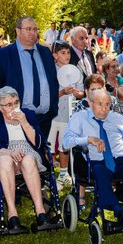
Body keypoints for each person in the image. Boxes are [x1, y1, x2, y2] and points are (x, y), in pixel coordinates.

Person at [62, 89, 123, 229]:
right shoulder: (79, 118)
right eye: (100, 104)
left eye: (108, 105)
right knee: (100, 171)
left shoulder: (117, 118)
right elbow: (65, 142)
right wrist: (88, 139)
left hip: (122, 160)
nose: (104, 109)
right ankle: (118, 212)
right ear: (90, 103)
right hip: (97, 161)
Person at [0, 86, 55, 233]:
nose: (14, 107)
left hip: (28, 152)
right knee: (5, 161)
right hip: (4, 152)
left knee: (28, 160)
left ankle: (41, 213)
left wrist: (25, 123)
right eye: (9, 104)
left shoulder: (28, 114)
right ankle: (12, 215)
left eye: (16, 102)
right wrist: (9, 152)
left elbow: (39, 143)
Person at [0, 16, 59, 139]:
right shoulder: (4, 55)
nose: (33, 33)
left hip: (45, 118)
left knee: (41, 156)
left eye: (35, 29)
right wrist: (5, 109)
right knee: (21, 157)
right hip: (17, 118)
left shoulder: (45, 52)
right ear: (18, 31)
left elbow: (53, 81)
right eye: (28, 29)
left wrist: (53, 107)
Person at [49, 41, 84, 188]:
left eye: (68, 52)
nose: (67, 55)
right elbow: (47, 94)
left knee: (64, 145)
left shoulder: (76, 71)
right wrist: (62, 92)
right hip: (51, 114)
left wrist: (78, 94)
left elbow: (82, 92)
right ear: (55, 55)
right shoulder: (50, 71)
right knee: (49, 145)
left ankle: (63, 174)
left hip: (67, 114)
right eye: (63, 53)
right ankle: (48, 174)